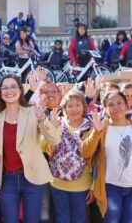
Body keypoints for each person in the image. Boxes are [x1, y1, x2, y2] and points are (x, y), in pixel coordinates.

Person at [0, 75, 61, 222]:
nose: (9, 90)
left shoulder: (33, 112)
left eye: (13, 86)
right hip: (7, 180)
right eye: (5, 87)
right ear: (0, 92)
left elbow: (55, 139)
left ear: (21, 90)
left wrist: (42, 119)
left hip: (32, 179)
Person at [81, 91, 132, 222]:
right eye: (111, 104)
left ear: (127, 105)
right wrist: (96, 132)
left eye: (119, 103)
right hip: (111, 187)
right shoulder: (101, 128)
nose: (116, 107)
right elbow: (85, 152)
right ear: (105, 108)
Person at [42, 90, 94, 223]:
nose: (74, 109)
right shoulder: (57, 123)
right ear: (64, 109)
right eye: (70, 106)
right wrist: (53, 129)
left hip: (81, 185)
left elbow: (96, 158)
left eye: (78, 105)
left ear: (84, 107)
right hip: (58, 184)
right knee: (61, 219)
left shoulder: (91, 127)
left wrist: (94, 186)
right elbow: (45, 147)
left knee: (79, 219)